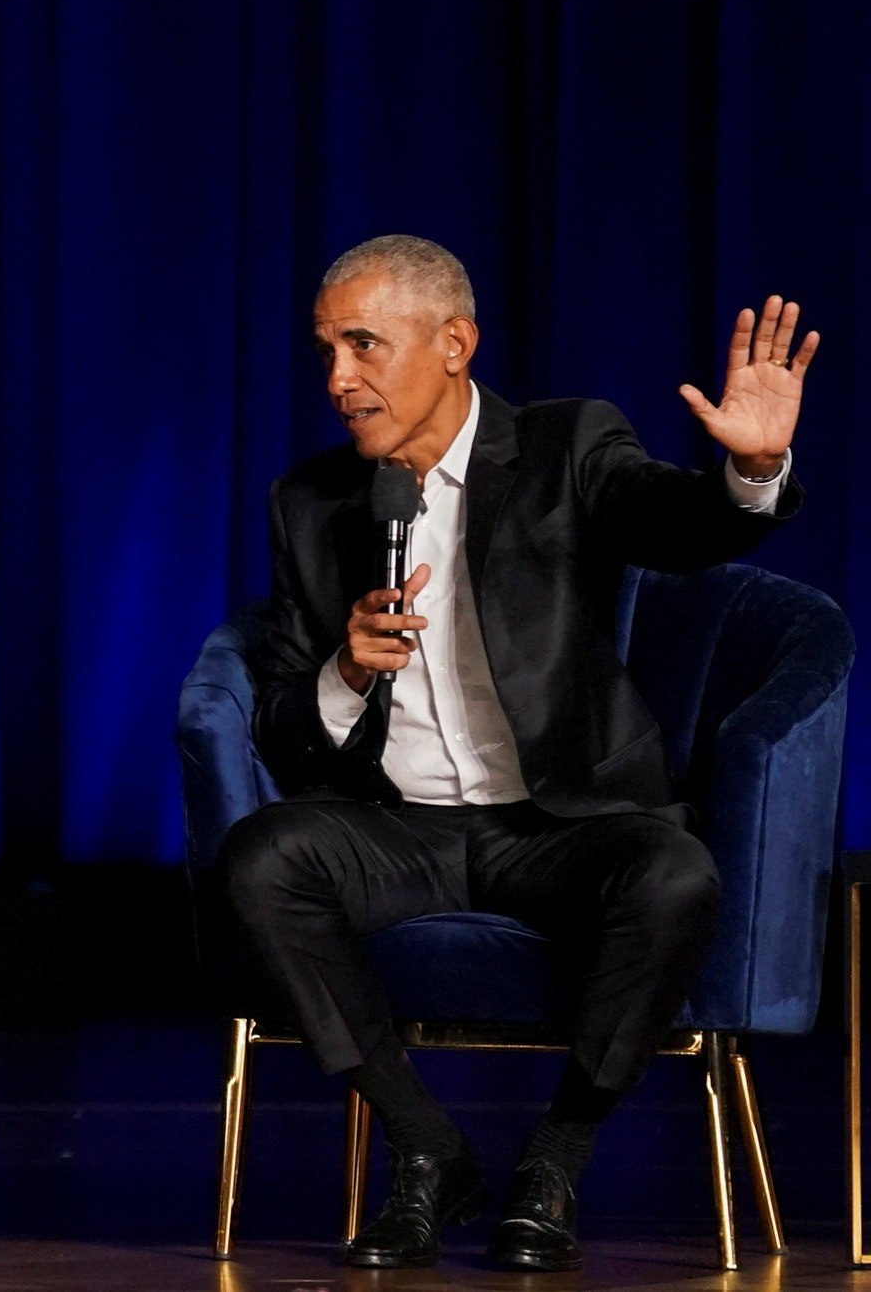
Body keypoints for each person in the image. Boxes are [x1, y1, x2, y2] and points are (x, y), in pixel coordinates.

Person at [219, 235, 815, 1272]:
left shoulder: (562, 446)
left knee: (672, 874)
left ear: (453, 342)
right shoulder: (309, 502)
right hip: (395, 826)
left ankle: (554, 1159)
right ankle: (425, 1149)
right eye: (324, 352)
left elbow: (669, 523)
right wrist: (344, 672)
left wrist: (747, 471)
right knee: (260, 857)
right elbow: (276, 723)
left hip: (556, 824)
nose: (336, 379)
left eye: (362, 346)